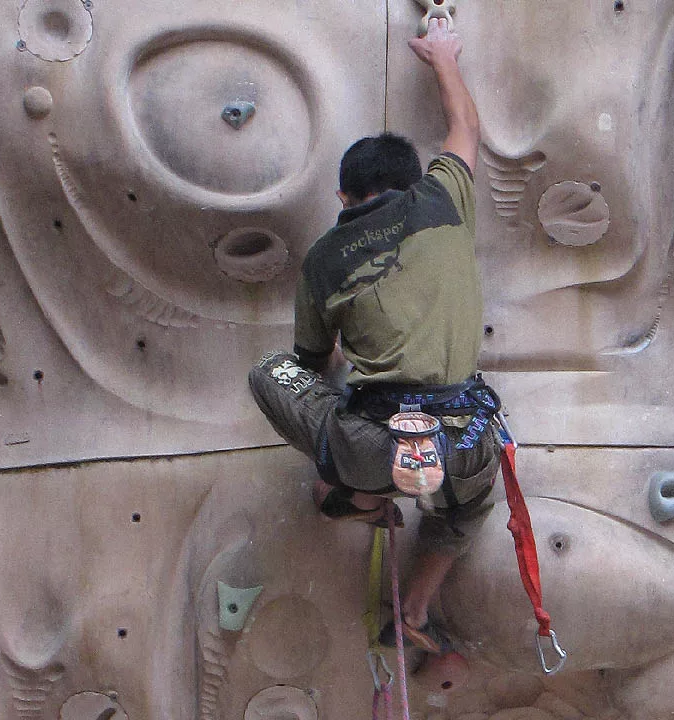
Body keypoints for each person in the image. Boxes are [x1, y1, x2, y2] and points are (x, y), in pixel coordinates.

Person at [247, 17, 497, 655]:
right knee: (466, 511)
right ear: (415, 179)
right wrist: (442, 55)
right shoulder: (443, 200)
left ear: (342, 195)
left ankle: (352, 496)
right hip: (465, 441)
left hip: (374, 445)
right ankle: (414, 607)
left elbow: (309, 365)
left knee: (270, 371)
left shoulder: (325, 257)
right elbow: (465, 128)